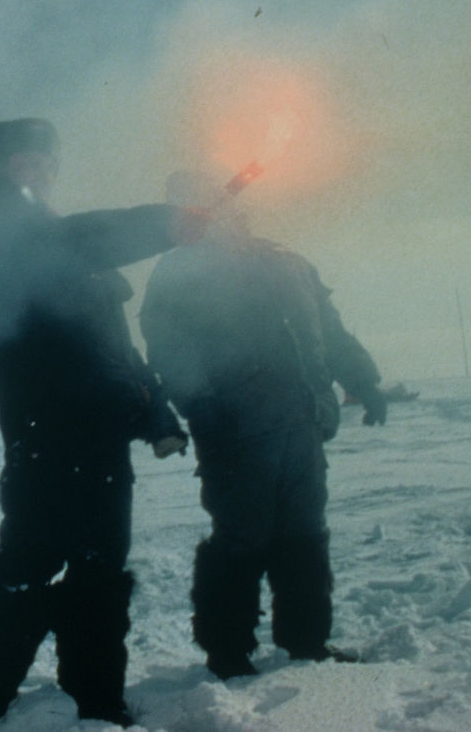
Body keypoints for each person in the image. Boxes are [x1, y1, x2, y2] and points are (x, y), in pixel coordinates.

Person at [0, 119, 204, 728]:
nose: (36, 170)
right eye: (23, 160)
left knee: (97, 567)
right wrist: (166, 221)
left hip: (94, 437)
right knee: (29, 566)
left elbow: (112, 348)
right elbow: (79, 239)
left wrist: (155, 413)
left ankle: (96, 701)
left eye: (45, 161)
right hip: (46, 434)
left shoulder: (55, 237)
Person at [138, 169, 387, 681]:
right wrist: (201, 405)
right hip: (235, 430)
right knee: (240, 539)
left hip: (303, 423)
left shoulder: (285, 263)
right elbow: (167, 348)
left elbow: (328, 331)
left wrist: (364, 379)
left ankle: (307, 641)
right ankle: (227, 654)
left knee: (304, 535)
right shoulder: (178, 273)